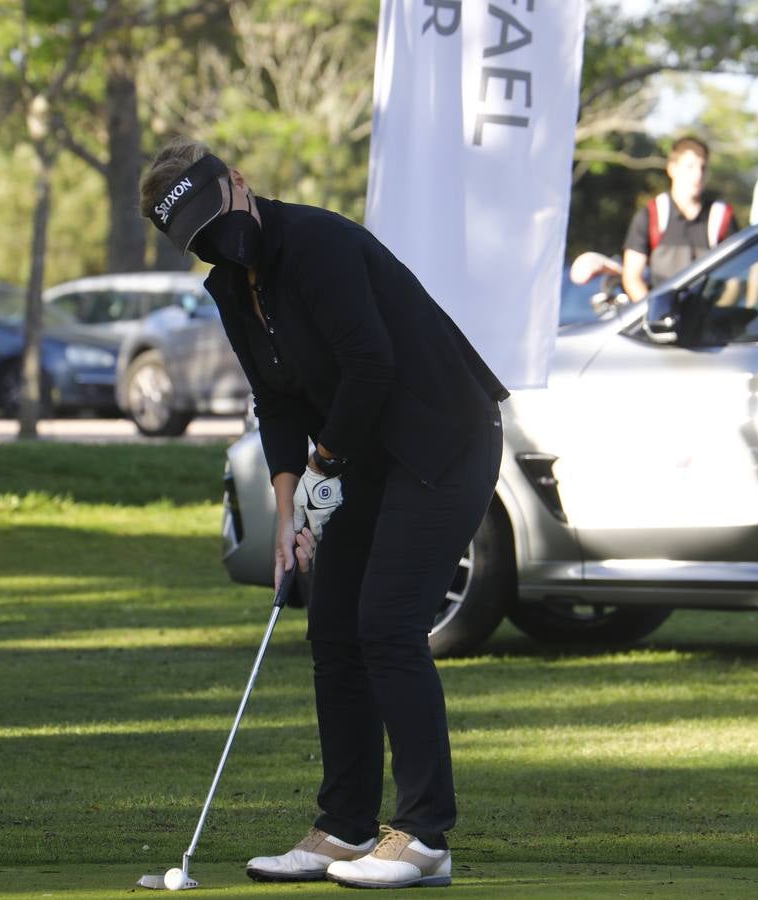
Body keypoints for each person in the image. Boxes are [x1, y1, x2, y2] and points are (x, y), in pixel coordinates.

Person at [140, 138, 508, 890]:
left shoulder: (318, 243)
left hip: (443, 438)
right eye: (198, 241)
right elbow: (274, 398)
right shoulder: (230, 290)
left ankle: (425, 835)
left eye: (217, 219)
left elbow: (371, 363)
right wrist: (287, 513)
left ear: (239, 182)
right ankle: (345, 827)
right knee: (332, 623)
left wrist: (322, 467)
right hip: (365, 453)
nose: (217, 242)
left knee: (388, 622)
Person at [617, 136, 738, 303]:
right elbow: (631, 277)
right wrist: (653, 315)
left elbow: (734, 280)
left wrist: (716, 315)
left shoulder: (721, 216)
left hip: (707, 321)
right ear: (672, 169)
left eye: (703, 167)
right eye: (690, 166)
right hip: (661, 320)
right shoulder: (651, 215)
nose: (698, 174)